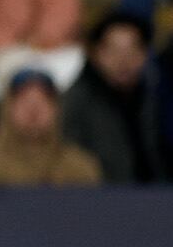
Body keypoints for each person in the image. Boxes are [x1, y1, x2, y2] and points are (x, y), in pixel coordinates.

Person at [60, 13, 164, 183]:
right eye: (113, 51)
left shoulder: (153, 97)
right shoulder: (76, 100)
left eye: (132, 51)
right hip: (99, 199)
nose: (123, 60)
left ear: (144, 55)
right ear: (95, 53)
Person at [0, 71, 102, 189]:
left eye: (42, 101)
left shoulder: (80, 169)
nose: (33, 110)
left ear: (57, 109)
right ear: (7, 108)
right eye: (24, 101)